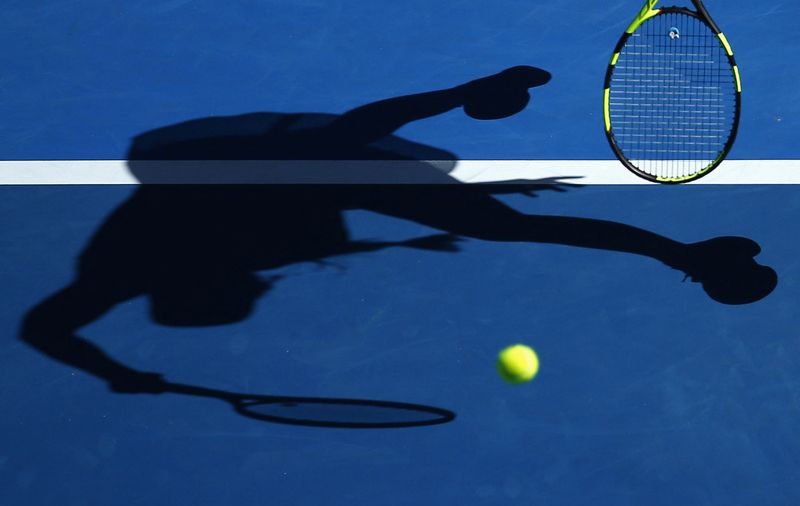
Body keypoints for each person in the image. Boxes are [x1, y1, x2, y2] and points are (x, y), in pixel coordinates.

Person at [20, 67, 777, 394]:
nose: (259, 280)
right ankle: (687, 255)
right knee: (502, 227)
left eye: (242, 284)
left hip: (226, 160)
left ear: (204, 277)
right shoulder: (196, 261)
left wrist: (462, 94)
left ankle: (684, 253)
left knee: (488, 219)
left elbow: (349, 134)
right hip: (289, 189)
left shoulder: (141, 252)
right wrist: (109, 369)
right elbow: (43, 329)